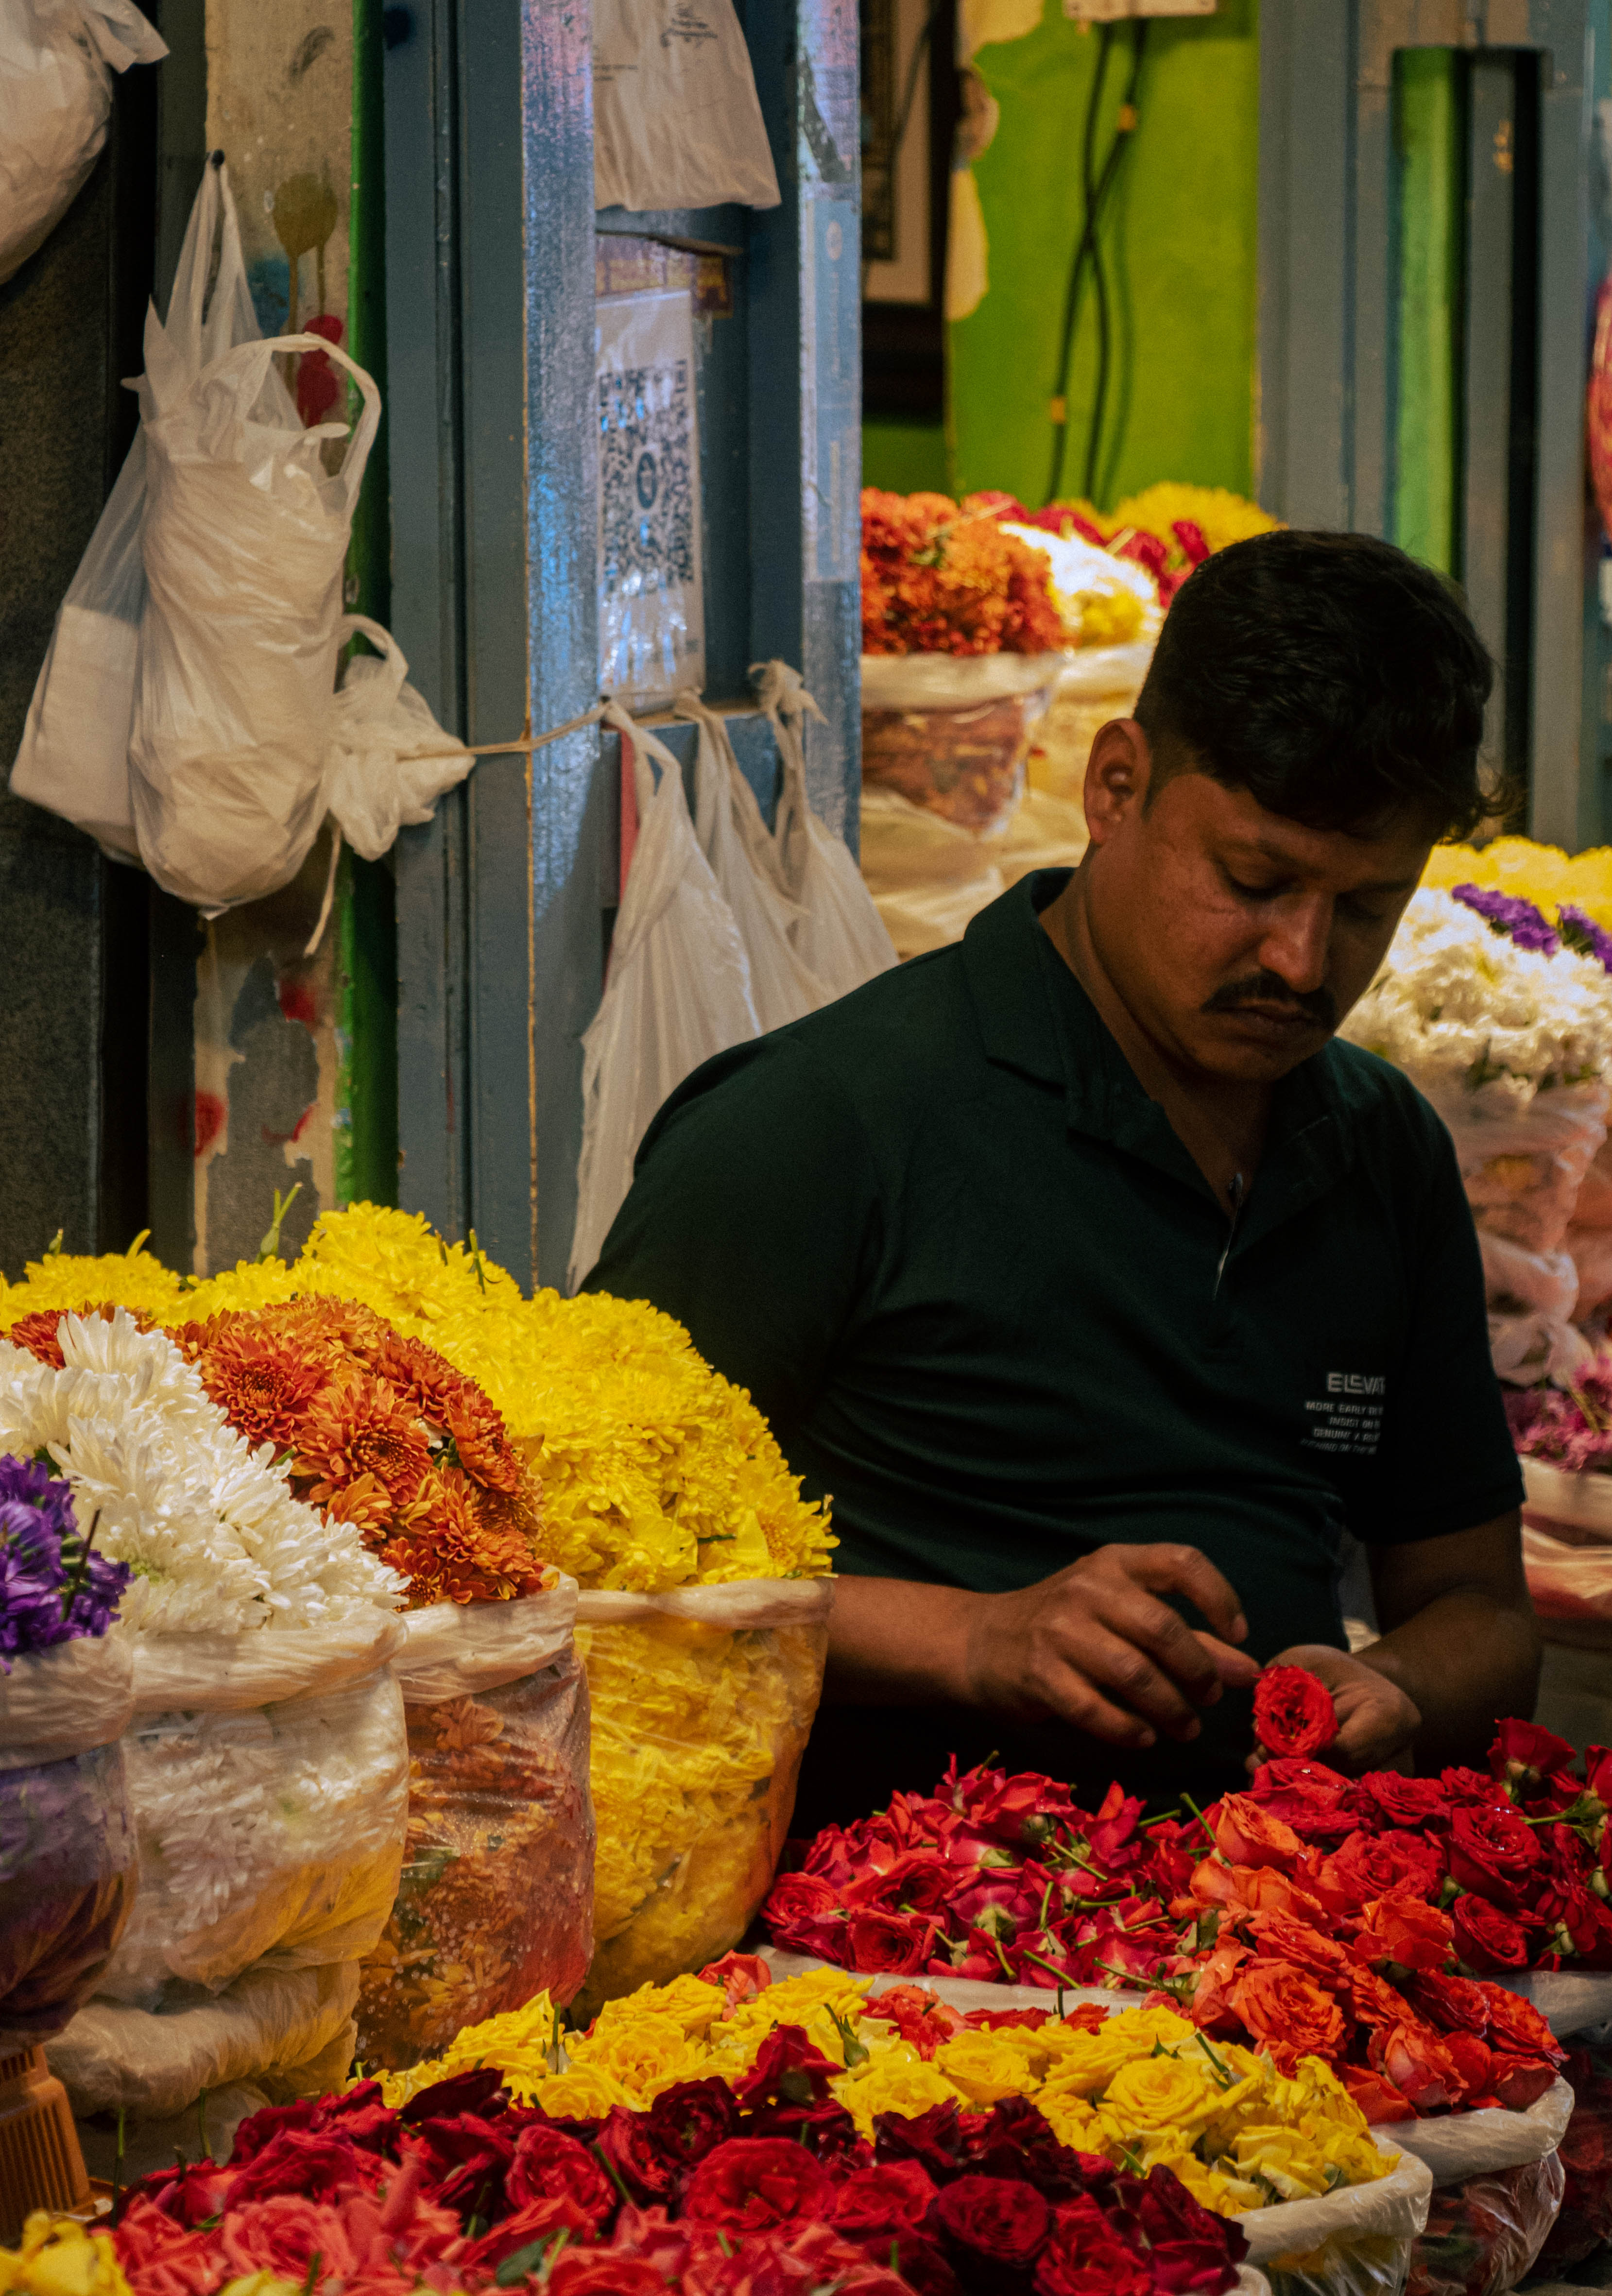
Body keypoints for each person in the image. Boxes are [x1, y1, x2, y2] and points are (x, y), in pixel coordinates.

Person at [586, 529, 1539, 1827]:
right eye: (1252, 882)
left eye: (1366, 907)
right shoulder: (817, 1125)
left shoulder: (1380, 1151)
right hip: (875, 1965)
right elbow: (586, 1583)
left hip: (1264, 1929)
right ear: (1114, 785)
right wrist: (976, 1640)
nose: (1304, 963)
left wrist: (1395, 1695)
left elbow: (1477, 1608)